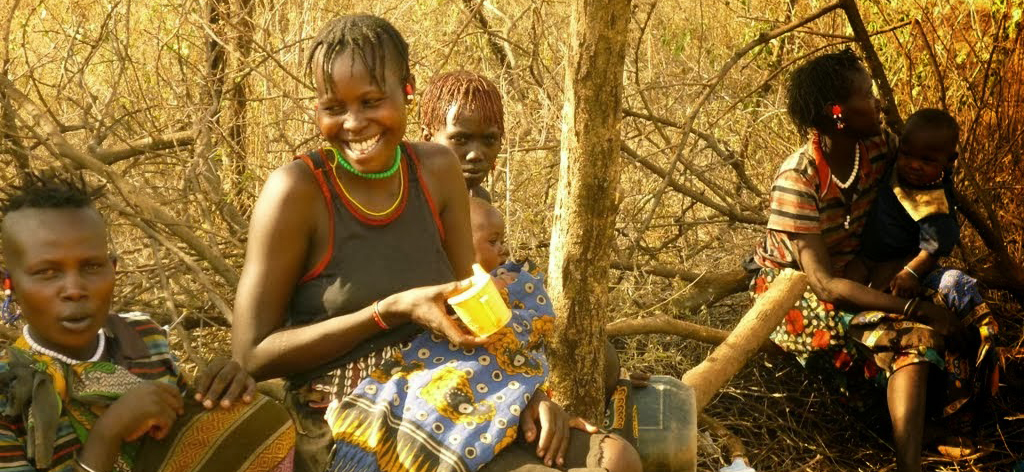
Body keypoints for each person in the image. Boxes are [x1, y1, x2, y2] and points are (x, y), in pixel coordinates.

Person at [232, 15, 634, 472]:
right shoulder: (297, 191)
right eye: (333, 107)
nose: (354, 123)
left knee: (616, 459)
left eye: (371, 101)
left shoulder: (436, 169)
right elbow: (251, 356)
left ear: (408, 88)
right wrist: (389, 310)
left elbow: (472, 304)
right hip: (349, 407)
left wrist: (523, 390)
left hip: (456, 382)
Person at [751, 49, 991, 472]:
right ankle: (908, 460)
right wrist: (916, 307)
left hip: (868, 269)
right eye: (867, 94)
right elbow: (825, 284)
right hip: (801, 293)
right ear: (838, 113)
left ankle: (956, 416)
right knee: (911, 337)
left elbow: (927, 198)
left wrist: (912, 267)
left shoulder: (880, 147)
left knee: (964, 296)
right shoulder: (798, 178)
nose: (879, 101)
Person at [0, 173, 295, 472]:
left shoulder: (144, 339)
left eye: (91, 266)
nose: (74, 289)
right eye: (47, 272)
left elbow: (183, 440)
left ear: (113, 269)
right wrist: (109, 432)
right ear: (9, 285)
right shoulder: (8, 393)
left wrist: (225, 393)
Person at [325, 196, 641, 472]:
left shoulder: (508, 283)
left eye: (503, 240)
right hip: (438, 416)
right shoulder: (417, 271)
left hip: (508, 404)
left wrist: (531, 393)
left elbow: (520, 343)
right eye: (493, 242)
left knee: (618, 456)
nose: (504, 250)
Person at [420, 71, 504, 202]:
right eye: (460, 139)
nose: (475, 155)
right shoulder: (401, 199)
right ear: (428, 138)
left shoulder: (479, 198)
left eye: (489, 140)